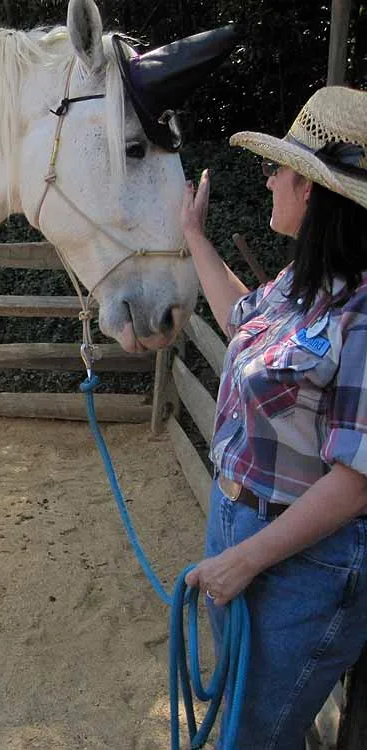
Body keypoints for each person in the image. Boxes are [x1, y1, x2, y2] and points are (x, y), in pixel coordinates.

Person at [180, 85, 367, 749]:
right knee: (243, 712)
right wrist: (194, 237)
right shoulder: (299, 283)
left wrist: (246, 561)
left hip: (305, 560)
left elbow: (357, 482)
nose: (268, 181)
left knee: (252, 736)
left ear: (310, 188)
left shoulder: (363, 315)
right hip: (239, 523)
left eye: (277, 169)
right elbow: (238, 316)